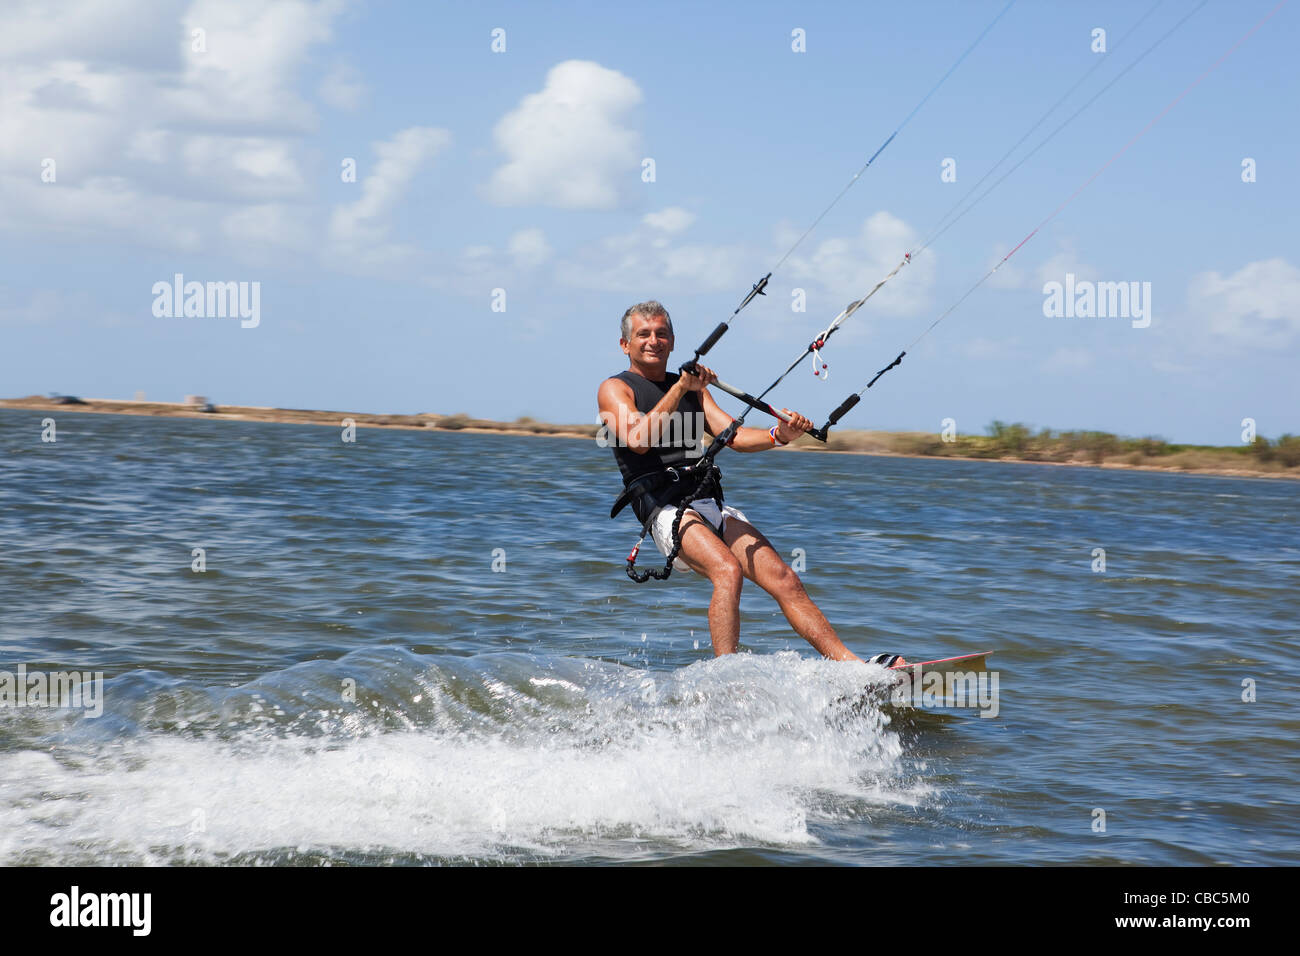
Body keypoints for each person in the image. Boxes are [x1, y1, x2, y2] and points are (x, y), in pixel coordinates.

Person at [598, 300, 904, 666]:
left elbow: (735, 437)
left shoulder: (694, 390)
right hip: (663, 509)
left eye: (661, 334)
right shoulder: (616, 389)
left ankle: (852, 667)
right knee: (727, 570)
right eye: (643, 334)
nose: (653, 341)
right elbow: (637, 439)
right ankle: (728, 678)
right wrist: (680, 389)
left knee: (784, 577)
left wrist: (781, 434)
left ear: (672, 340)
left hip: (706, 503)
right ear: (625, 344)